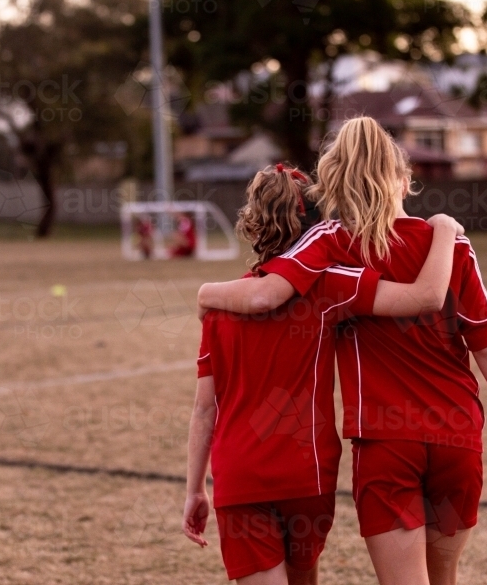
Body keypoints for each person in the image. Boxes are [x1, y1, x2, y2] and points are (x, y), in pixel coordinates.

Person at [197, 118, 487, 585]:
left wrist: (205, 294)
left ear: (335, 182)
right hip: (457, 438)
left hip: (386, 443)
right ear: (403, 180)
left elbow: (266, 292)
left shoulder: (332, 242)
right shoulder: (452, 244)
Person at [184, 163, 466, 585]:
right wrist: (443, 230)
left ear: (252, 223)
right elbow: (422, 296)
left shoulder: (220, 306)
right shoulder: (330, 285)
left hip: (238, 475)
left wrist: (193, 489)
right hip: (307, 474)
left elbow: (205, 409)